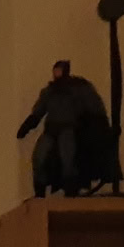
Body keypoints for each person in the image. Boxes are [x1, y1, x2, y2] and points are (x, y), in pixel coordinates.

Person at [17, 60, 114, 197]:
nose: (56, 73)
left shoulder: (77, 90)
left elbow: (92, 109)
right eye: (55, 70)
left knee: (68, 161)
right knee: (38, 158)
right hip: (50, 131)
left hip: (68, 130)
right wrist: (26, 127)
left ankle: (70, 192)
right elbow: (38, 112)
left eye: (59, 70)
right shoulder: (49, 92)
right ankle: (39, 192)